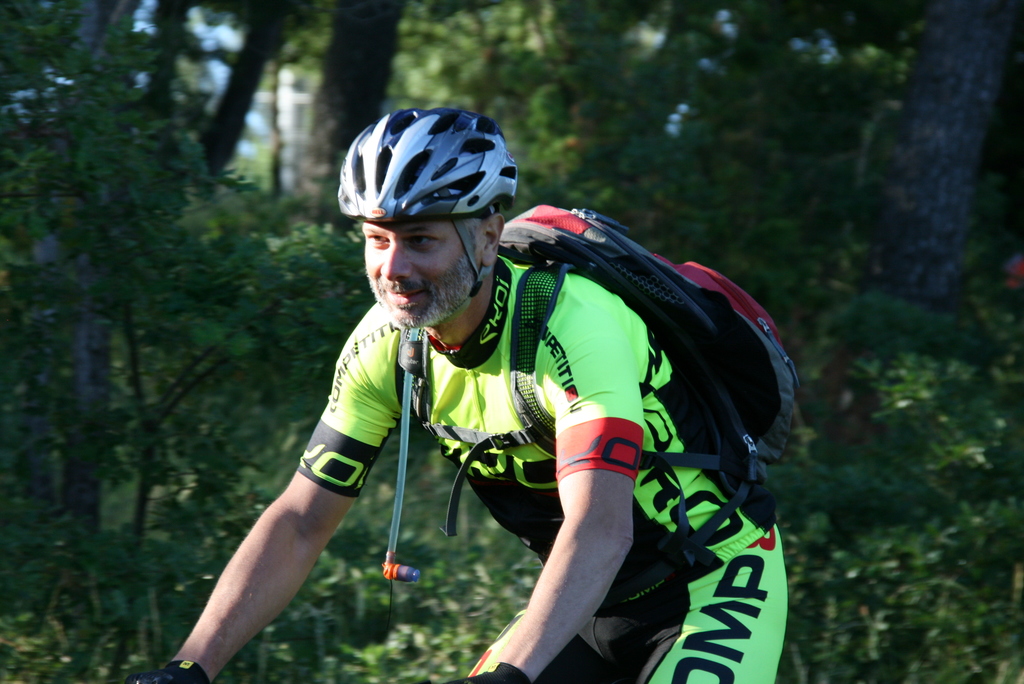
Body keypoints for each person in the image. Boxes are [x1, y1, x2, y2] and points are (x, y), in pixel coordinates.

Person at [125, 108, 787, 684]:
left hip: (713, 585)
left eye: (421, 241)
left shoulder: (571, 326)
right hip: (580, 605)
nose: (393, 269)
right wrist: (191, 667)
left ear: (488, 236)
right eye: (377, 240)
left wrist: (510, 674)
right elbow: (300, 522)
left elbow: (601, 528)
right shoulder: (387, 345)